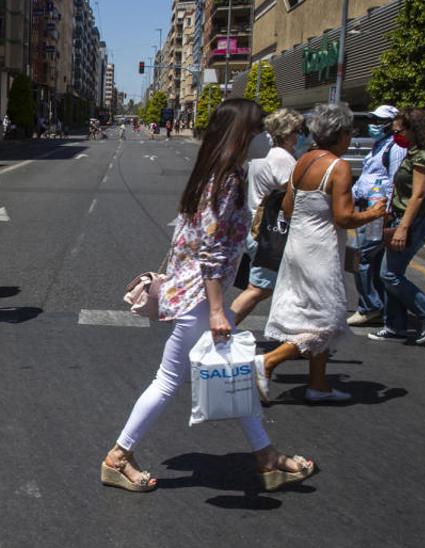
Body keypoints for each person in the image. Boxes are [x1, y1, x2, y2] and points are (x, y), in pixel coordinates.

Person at [102, 98, 316, 494]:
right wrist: (218, 310)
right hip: (200, 299)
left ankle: (266, 458)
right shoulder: (228, 180)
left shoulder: (213, 173)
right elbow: (212, 251)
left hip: (195, 295)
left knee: (235, 372)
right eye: (256, 132)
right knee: (170, 381)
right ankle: (118, 456)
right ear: (241, 136)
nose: (263, 140)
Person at [259, 103, 387, 402]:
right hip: (320, 251)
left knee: (312, 315)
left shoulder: (302, 160)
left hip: (297, 247)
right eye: (349, 133)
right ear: (340, 134)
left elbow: (288, 208)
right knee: (327, 321)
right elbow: (344, 217)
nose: (351, 139)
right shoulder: (337, 166)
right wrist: (373, 213)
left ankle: (318, 385)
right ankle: (267, 362)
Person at [368, 108, 425, 345]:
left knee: (390, 274)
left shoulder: (422, 157)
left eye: (399, 130)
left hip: (414, 222)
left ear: (414, 130)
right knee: (392, 273)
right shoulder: (411, 152)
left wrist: (403, 227)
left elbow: (418, 195)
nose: (395, 134)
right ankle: (395, 326)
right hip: (402, 218)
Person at [230, 108, 303, 325]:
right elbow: (291, 195)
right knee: (259, 288)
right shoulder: (282, 158)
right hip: (269, 233)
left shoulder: (263, 154)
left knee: (280, 285)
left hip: (256, 227)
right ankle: (220, 329)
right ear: (288, 133)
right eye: (297, 131)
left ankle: (293, 335)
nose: (300, 136)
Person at [347, 105, 406, 326]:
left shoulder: (395, 148)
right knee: (371, 261)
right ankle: (378, 305)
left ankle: (369, 306)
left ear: (391, 124)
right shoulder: (379, 146)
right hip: (367, 209)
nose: (373, 125)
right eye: (372, 120)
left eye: (379, 121)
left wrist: (387, 212)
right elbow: (367, 178)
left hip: (378, 213)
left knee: (361, 258)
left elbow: (393, 182)